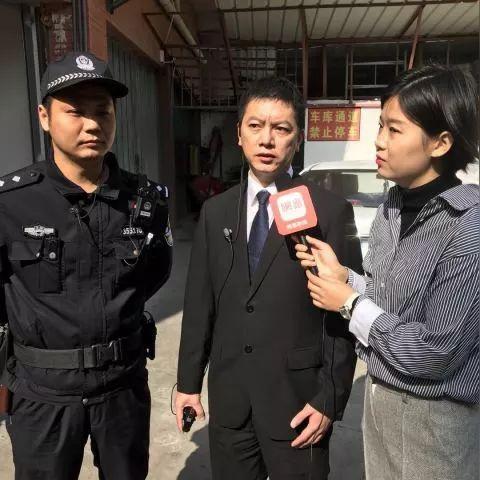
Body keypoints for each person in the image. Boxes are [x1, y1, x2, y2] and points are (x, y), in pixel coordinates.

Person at [296, 64, 479, 480]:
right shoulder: (392, 208)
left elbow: (434, 353)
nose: (378, 140)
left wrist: (348, 303)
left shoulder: (468, 226)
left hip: (434, 426)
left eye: (394, 130)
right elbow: (386, 298)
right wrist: (345, 277)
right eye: (381, 125)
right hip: (380, 408)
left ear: (441, 143)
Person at [175, 77, 363, 480]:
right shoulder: (215, 212)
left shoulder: (329, 212)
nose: (267, 140)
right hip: (231, 402)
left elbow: (341, 315)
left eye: (281, 128)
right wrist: (188, 383)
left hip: (298, 403)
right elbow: (199, 304)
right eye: (256, 126)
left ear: (298, 138)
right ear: (238, 133)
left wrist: (329, 398)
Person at [0, 52, 172, 480]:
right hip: (43, 393)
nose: (92, 124)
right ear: (44, 117)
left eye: (103, 111)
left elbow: (155, 273)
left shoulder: (145, 201)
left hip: (121, 386)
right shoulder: (11, 204)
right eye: (75, 112)